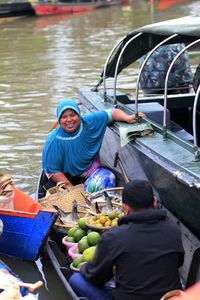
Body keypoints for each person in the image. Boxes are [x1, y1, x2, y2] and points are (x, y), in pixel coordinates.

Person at [69, 179, 185, 300]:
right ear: (154, 202)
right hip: (168, 297)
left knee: (75, 279)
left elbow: (96, 277)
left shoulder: (114, 237)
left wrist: (85, 267)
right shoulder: (173, 228)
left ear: (125, 208)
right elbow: (179, 262)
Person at [42, 99, 144, 193]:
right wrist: (72, 191)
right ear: (59, 119)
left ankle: (98, 202)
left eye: (73, 115)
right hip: (65, 180)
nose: (69, 120)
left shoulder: (89, 122)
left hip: (89, 175)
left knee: (108, 178)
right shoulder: (53, 140)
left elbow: (112, 113)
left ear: (79, 114)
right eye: (64, 117)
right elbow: (52, 171)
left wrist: (127, 118)